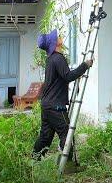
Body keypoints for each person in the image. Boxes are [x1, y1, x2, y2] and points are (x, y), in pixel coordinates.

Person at [32, 29, 93, 167]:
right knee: (67, 132)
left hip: (47, 104)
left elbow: (63, 77)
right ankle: (68, 165)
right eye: (57, 37)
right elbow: (68, 76)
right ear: (55, 43)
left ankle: (33, 161)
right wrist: (85, 65)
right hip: (55, 106)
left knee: (45, 137)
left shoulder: (51, 59)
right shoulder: (58, 58)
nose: (60, 37)